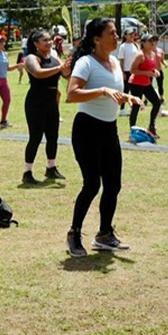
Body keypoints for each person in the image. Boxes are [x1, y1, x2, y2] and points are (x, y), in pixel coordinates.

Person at [65, 18, 142, 258]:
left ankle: (105, 234)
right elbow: (72, 94)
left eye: (117, 33)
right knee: (91, 184)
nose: (117, 37)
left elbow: (113, 91)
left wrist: (127, 97)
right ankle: (74, 233)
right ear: (97, 39)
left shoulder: (114, 63)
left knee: (113, 185)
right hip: (87, 129)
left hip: (109, 130)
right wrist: (102, 91)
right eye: (112, 33)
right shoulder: (86, 63)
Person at [22, 29, 71, 184]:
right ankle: (27, 172)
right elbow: (38, 73)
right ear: (36, 44)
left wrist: (70, 64)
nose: (49, 42)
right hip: (36, 101)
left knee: (53, 136)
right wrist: (59, 68)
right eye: (45, 40)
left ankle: (51, 168)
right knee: (35, 137)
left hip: (51, 101)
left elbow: (66, 75)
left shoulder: (54, 56)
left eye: (50, 39)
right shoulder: (31, 58)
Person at [128, 33, 164, 136]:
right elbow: (132, 70)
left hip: (146, 83)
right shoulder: (140, 55)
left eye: (153, 40)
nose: (153, 43)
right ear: (143, 43)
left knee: (157, 103)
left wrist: (154, 71)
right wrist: (147, 73)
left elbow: (150, 67)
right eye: (149, 41)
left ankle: (151, 126)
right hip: (135, 83)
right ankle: (132, 130)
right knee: (136, 107)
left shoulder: (153, 54)